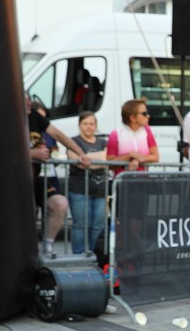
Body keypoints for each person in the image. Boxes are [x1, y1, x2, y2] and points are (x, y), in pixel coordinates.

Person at [27, 94, 90, 258]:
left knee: (60, 204)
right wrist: (33, 153)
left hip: (39, 177)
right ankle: (27, 252)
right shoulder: (8, 117)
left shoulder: (34, 116)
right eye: (25, 100)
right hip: (17, 179)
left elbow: (58, 135)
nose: (29, 103)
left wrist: (80, 153)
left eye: (29, 99)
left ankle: (47, 247)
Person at [67, 111, 108, 256]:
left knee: (98, 226)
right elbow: (76, 161)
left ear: (96, 126)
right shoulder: (73, 141)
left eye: (91, 124)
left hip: (101, 190)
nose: (88, 127)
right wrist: (98, 161)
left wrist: (85, 158)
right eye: (85, 123)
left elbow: (107, 158)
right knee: (80, 225)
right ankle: (78, 255)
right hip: (78, 190)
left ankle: (94, 255)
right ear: (79, 125)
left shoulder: (103, 142)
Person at [107, 98, 160, 173]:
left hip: (143, 179)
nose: (148, 116)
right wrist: (129, 156)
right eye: (144, 114)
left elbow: (155, 157)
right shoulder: (115, 134)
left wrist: (137, 159)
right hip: (122, 181)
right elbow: (110, 163)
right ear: (133, 118)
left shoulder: (147, 131)